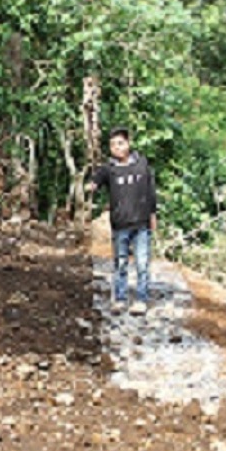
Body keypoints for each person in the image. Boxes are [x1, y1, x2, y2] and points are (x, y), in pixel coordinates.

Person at [86, 127, 158, 315]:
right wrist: (90, 186)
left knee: (142, 263)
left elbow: (150, 192)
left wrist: (153, 216)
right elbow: (96, 180)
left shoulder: (141, 165)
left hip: (141, 223)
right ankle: (120, 299)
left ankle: (141, 299)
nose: (116, 147)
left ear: (128, 143)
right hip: (120, 225)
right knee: (120, 263)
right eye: (112, 144)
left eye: (120, 143)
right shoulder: (109, 169)